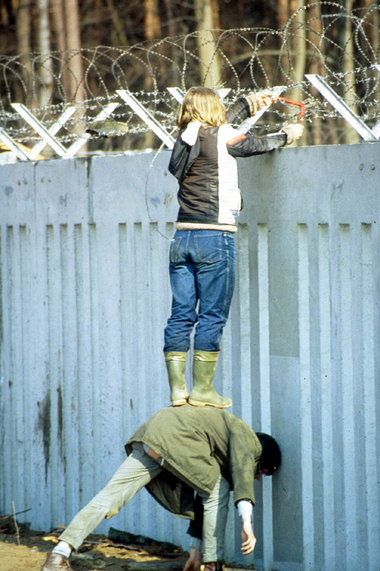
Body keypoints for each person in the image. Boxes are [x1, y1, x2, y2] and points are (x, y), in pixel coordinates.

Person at [164, 87, 303, 409]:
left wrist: (245, 106)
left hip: (182, 237)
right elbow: (252, 145)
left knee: (181, 315)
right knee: (212, 315)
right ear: (215, 109)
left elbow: (218, 130)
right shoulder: (222, 135)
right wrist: (287, 135)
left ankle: (177, 391)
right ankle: (202, 390)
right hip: (216, 236)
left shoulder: (185, 138)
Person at [40, 405, 281, 570]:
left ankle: (59, 554)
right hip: (176, 439)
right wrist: (247, 525)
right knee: (219, 488)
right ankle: (213, 564)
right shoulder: (249, 440)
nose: (257, 479)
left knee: (111, 495)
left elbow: (203, 499)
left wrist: (195, 552)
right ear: (261, 458)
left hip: (152, 436)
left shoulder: (218, 448)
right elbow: (240, 478)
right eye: (262, 472)